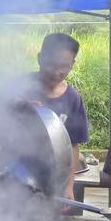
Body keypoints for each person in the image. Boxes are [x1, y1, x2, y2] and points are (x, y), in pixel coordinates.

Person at [27, 33, 89, 200]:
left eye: (64, 66)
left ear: (73, 64)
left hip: (53, 182)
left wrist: (69, 186)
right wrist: (18, 106)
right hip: (16, 178)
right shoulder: (21, 86)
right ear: (40, 58)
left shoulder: (73, 98)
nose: (57, 72)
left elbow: (73, 146)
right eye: (51, 65)